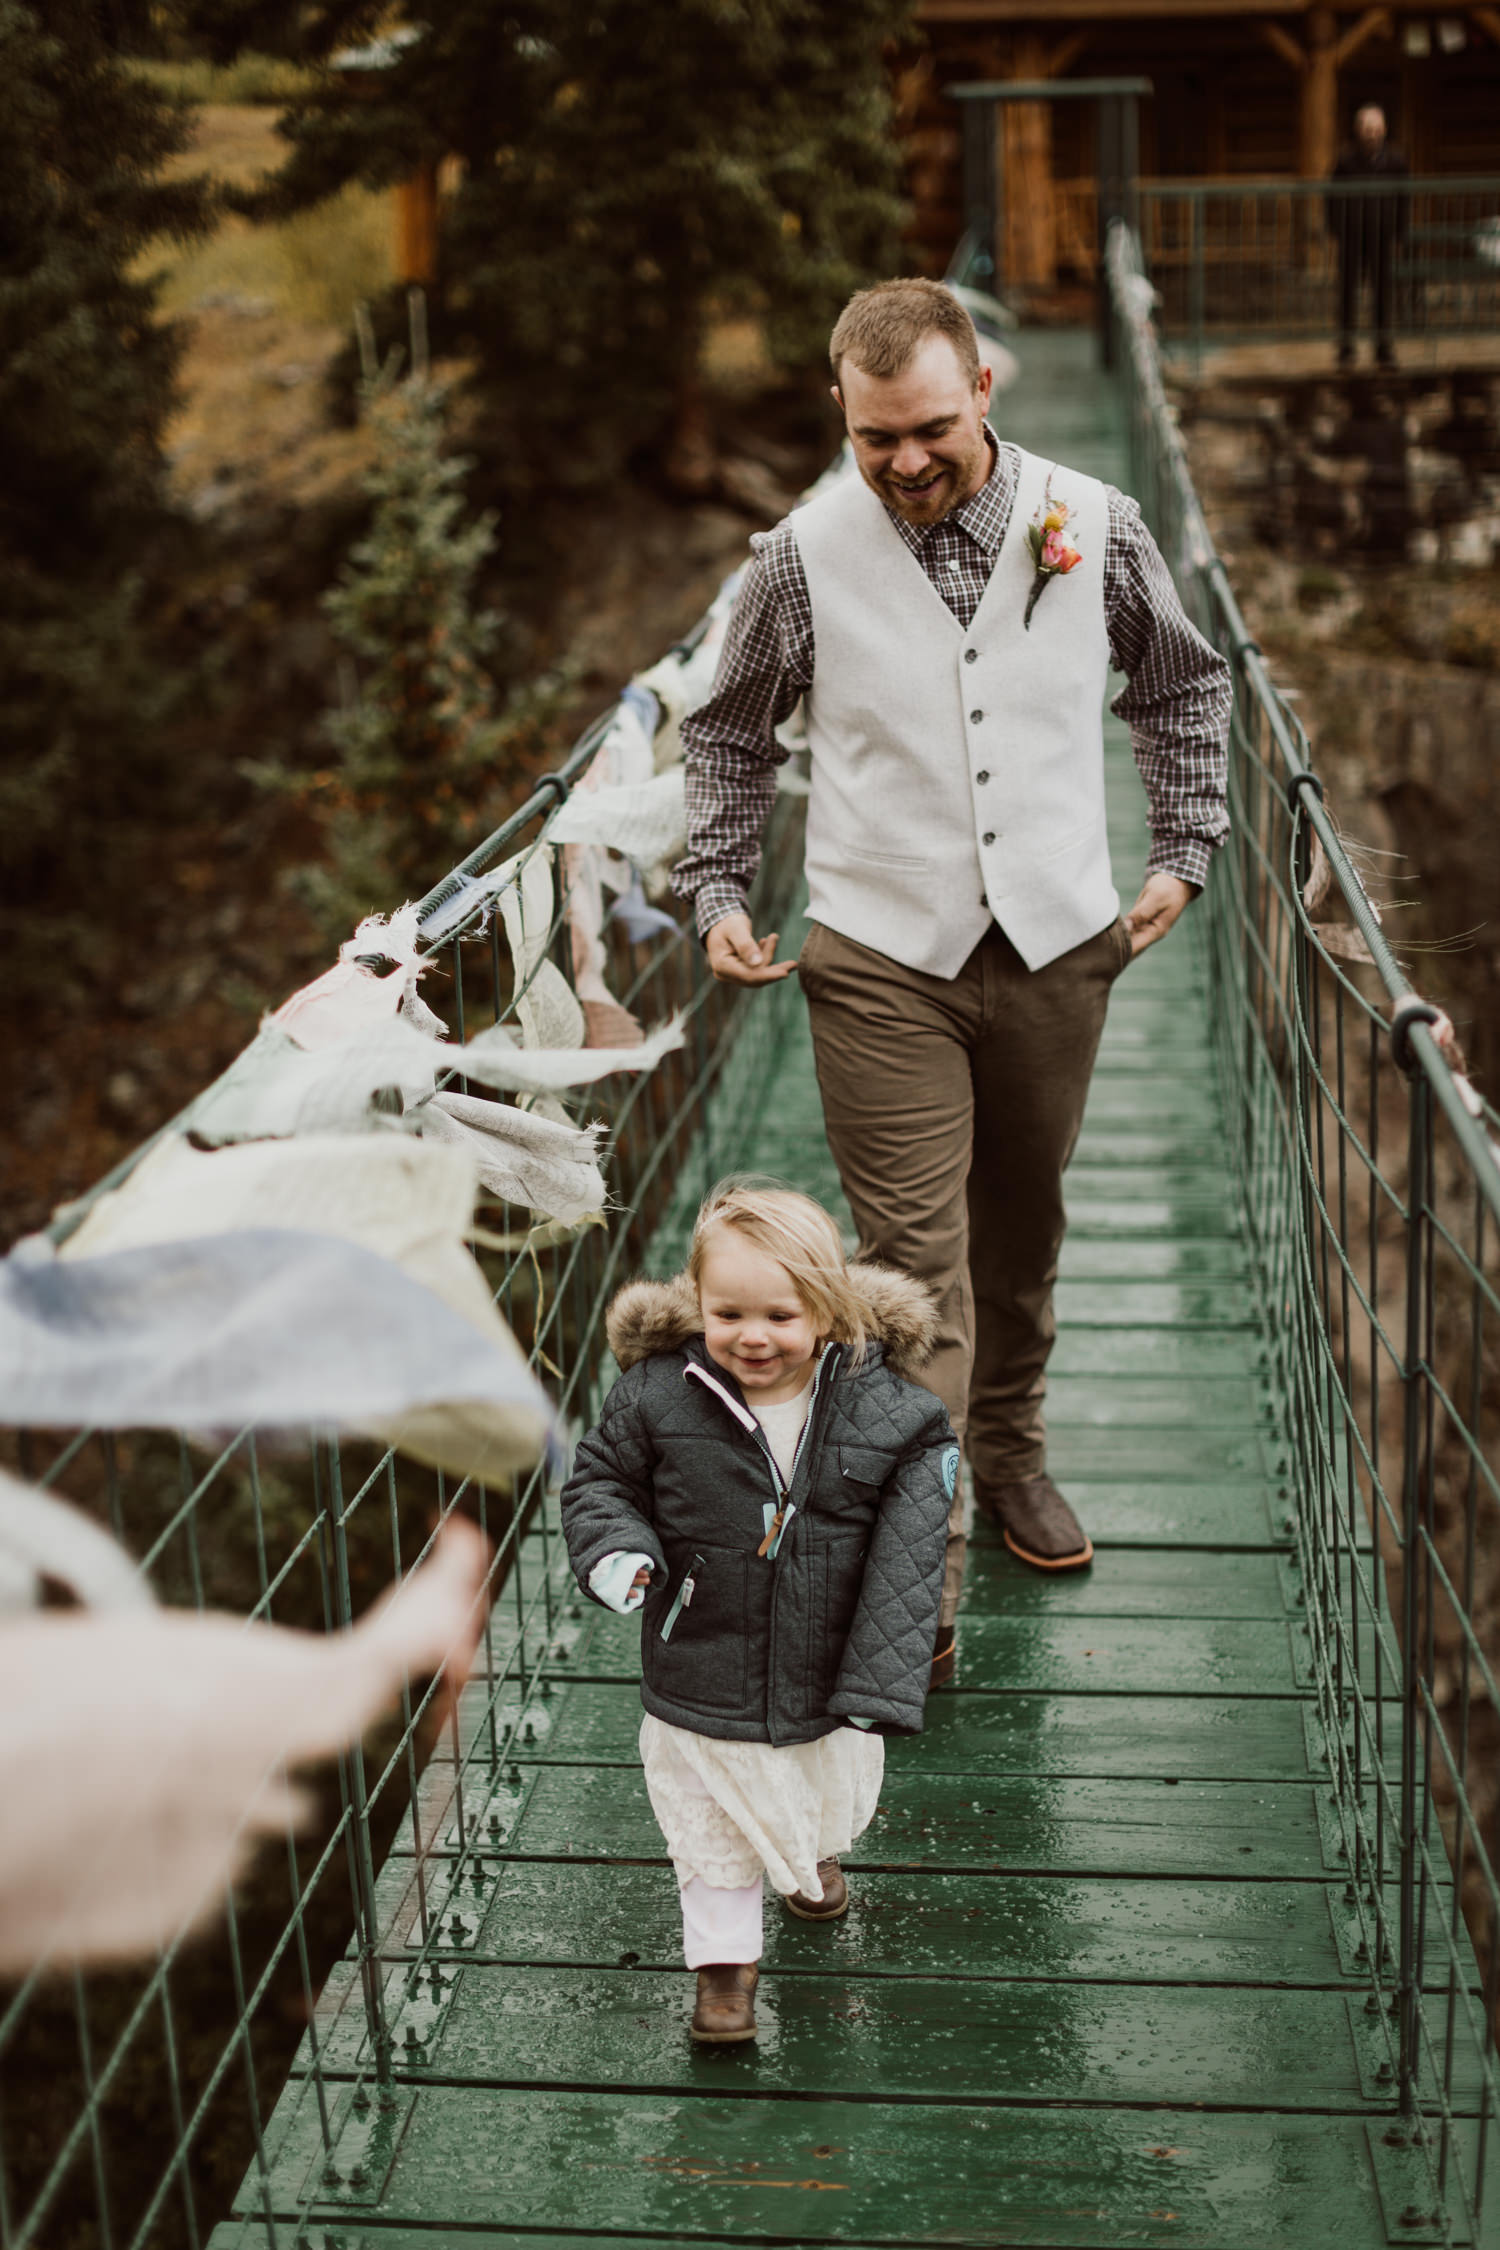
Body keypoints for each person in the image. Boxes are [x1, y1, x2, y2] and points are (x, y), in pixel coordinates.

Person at [671, 278, 1232, 1686]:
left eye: (928, 427)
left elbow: (1181, 685)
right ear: (841, 420)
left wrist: (1187, 843)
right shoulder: (799, 556)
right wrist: (718, 887)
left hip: (1060, 940)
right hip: (878, 952)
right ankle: (911, 1576)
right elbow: (729, 732)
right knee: (914, 1266)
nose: (906, 461)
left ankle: (1016, 1443)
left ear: (985, 386)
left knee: (1023, 1228)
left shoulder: (1093, 520)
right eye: (875, 440)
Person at [560, 1180, 955, 2044]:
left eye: (781, 1315)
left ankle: (810, 1856)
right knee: (707, 1823)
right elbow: (600, 1482)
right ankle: (724, 1972)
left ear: (827, 1307)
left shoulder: (892, 1414)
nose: (752, 1336)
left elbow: (912, 1551)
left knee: (816, 1784)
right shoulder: (657, 1395)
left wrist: (884, 1673)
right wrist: (619, 1554)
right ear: (696, 1302)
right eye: (727, 1312)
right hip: (700, 1652)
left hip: (823, 1655)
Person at [1328, 105, 1409, 370]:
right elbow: (1332, 198)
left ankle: (1383, 349)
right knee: (1347, 294)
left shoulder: (1396, 161)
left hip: (1382, 237)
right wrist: (1337, 230)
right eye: (1366, 129)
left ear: (1384, 130)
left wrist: (1399, 232)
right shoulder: (1345, 161)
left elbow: (1403, 199)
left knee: (1383, 294)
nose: (1371, 134)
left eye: (1375, 129)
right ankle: (1346, 350)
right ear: (1357, 131)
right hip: (1352, 237)